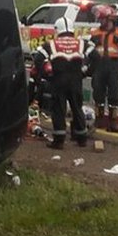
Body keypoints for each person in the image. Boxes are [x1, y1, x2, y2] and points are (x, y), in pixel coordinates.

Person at [34, 17, 94, 149]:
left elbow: (38, 59)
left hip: (58, 79)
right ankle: (81, 138)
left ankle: (59, 140)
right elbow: (95, 56)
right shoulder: (82, 43)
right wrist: (84, 71)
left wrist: (47, 74)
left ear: (57, 30)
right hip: (75, 79)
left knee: (59, 109)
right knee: (77, 108)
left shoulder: (51, 44)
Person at [89, 5, 118, 132]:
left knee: (114, 94)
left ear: (110, 19)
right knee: (98, 93)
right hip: (99, 65)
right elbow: (88, 50)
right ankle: (98, 119)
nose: (100, 22)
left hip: (114, 65)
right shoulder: (95, 33)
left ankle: (113, 122)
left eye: (102, 19)